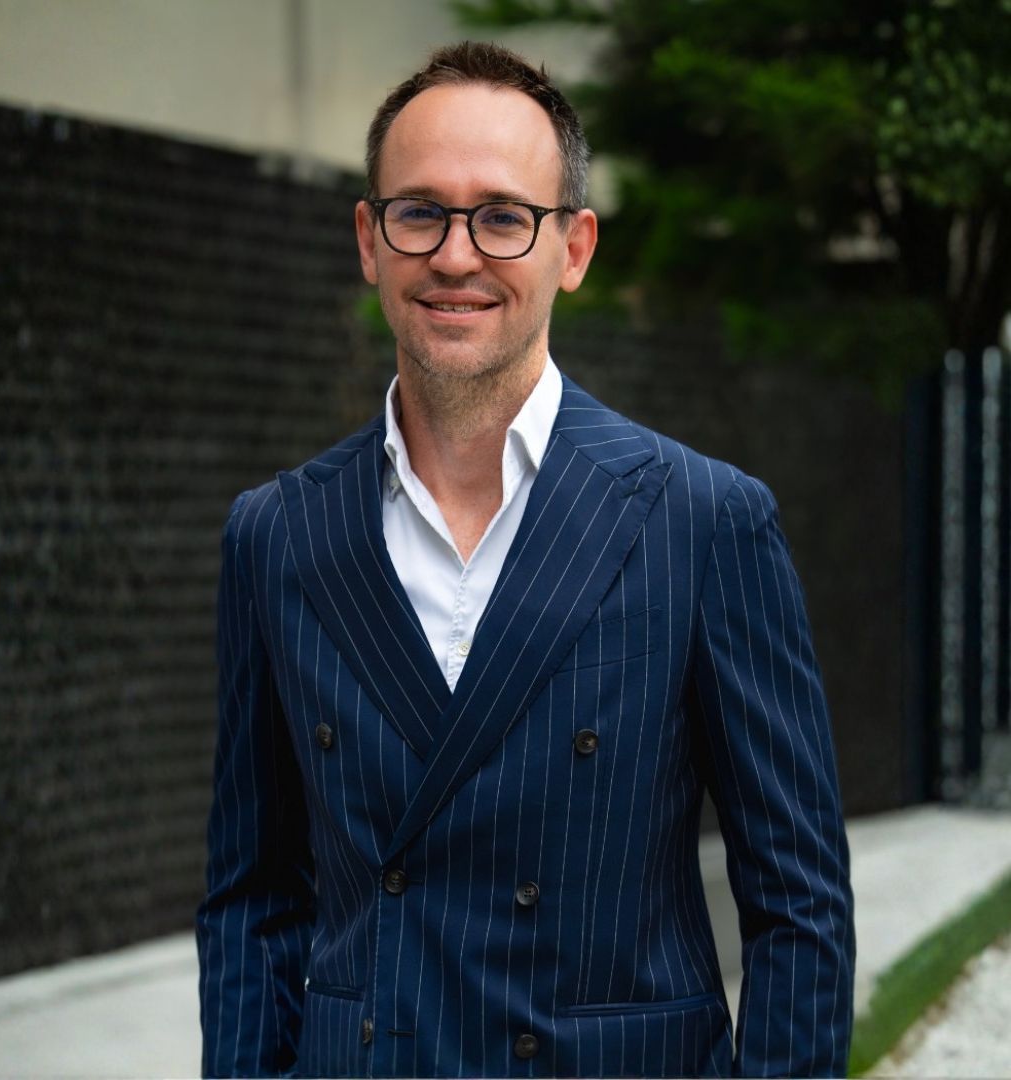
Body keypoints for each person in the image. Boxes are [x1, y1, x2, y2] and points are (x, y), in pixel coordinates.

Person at [197, 40, 855, 1079]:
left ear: (574, 247)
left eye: (503, 216)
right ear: (369, 240)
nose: (456, 256)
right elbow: (253, 899)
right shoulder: (277, 533)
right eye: (420, 212)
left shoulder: (704, 522)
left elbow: (799, 908)